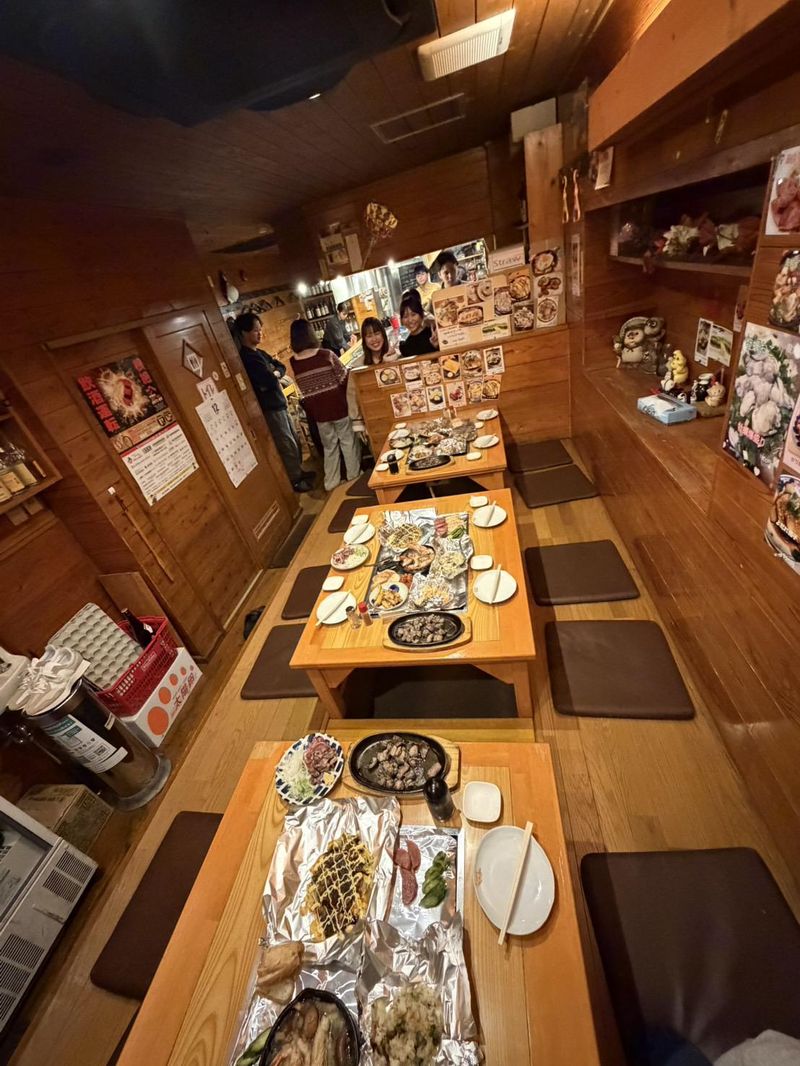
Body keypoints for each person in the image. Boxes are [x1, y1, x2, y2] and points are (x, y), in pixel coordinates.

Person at [233, 312, 313, 492]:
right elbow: (268, 380)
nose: (260, 333)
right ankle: (295, 480)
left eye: (260, 329)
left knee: (294, 439)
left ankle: (299, 472)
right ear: (244, 333)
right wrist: (273, 374)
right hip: (270, 409)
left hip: (279, 404)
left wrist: (274, 372)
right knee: (286, 444)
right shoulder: (247, 357)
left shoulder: (259, 352)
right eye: (256, 330)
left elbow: (280, 367)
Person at [289, 319, 361, 492]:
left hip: (319, 414)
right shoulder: (326, 355)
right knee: (348, 442)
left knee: (330, 448)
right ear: (311, 334)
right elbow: (344, 379)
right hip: (338, 407)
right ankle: (353, 477)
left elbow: (303, 388)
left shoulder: (294, 362)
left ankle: (331, 483)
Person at [347, 317, 399, 433]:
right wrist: (357, 421)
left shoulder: (395, 356)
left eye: (377, 333)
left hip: (399, 412)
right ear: (364, 340)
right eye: (369, 336)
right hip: (373, 419)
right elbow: (352, 395)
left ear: (383, 335)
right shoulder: (358, 366)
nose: (374, 339)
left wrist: (390, 361)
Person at [398, 289, 439, 358]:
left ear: (421, 315)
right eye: (405, 316)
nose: (410, 320)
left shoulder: (431, 333)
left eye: (413, 314)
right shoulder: (403, 340)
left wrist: (436, 347)